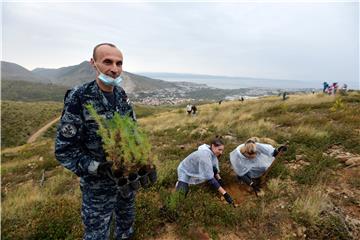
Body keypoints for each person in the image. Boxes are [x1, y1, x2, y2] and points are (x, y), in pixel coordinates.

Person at [55, 43, 136, 240]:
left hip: (124, 182)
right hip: (97, 188)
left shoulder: (121, 95)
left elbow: (132, 135)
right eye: (107, 62)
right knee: (97, 234)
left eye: (119, 63)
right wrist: (98, 168)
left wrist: (142, 162)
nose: (114, 69)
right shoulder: (79, 97)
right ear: (93, 63)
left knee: (126, 227)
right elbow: (64, 151)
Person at [175, 137, 235, 206]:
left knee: (215, 180)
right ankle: (175, 202)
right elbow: (210, 179)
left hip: (195, 169)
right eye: (219, 149)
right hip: (185, 169)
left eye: (222, 150)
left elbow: (214, 168)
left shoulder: (212, 153)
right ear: (213, 146)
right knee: (183, 192)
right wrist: (225, 194)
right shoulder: (205, 155)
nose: (221, 152)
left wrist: (219, 179)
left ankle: (180, 185)